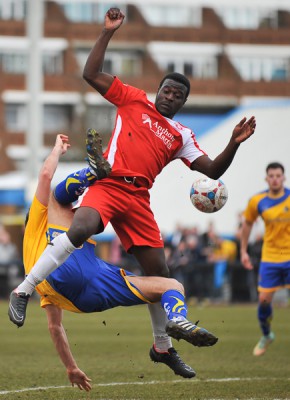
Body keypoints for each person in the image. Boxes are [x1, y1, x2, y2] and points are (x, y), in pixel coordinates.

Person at [9, 7, 256, 378]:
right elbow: (90, 73)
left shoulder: (181, 135)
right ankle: (23, 290)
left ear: (183, 102)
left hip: (138, 198)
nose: (170, 96)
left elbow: (213, 171)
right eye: (167, 90)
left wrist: (234, 143)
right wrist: (107, 32)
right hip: (109, 184)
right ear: (159, 91)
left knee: (161, 273)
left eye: (177, 95)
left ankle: (162, 347)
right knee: (81, 228)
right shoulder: (132, 98)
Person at [14, 134, 217, 390]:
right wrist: (56, 150)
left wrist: (71, 366)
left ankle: (166, 341)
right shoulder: (40, 218)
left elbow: (55, 327)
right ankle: (95, 170)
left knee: (170, 285)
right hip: (75, 280)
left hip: (89, 287)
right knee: (58, 196)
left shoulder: (70, 231)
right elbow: (45, 176)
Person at [240, 162, 290, 356]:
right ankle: (267, 335)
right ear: (266, 178)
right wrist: (243, 251)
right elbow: (247, 224)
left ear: (283, 177)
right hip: (270, 257)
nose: (275, 179)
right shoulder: (257, 200)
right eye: (272, 176)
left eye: (278, 175)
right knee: (263, 301)